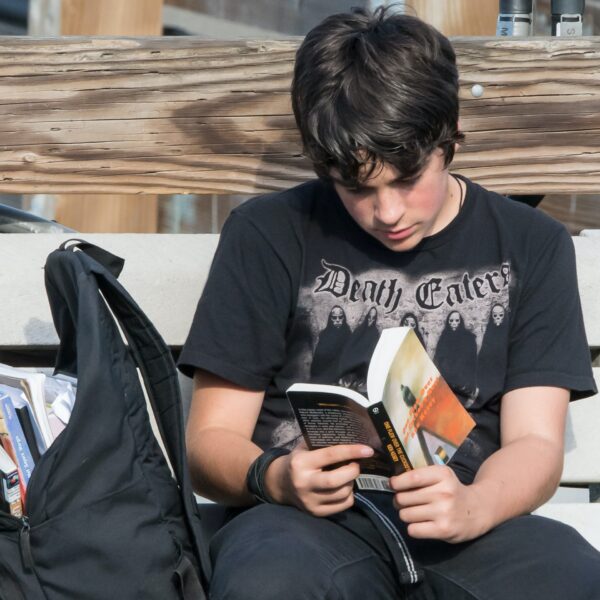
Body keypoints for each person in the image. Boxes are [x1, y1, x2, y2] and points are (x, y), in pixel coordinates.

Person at [178, 6, 600, 599]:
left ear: (449, 138)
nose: (388, 212)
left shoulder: (531, 245)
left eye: (407, 179)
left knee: (573, 576)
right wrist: (274, 478)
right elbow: (211, 438)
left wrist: (475, 506)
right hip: (306, 527)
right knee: (269, 582)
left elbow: (535, 442)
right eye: (356, 188)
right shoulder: (269, 232)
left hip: (468, 525)